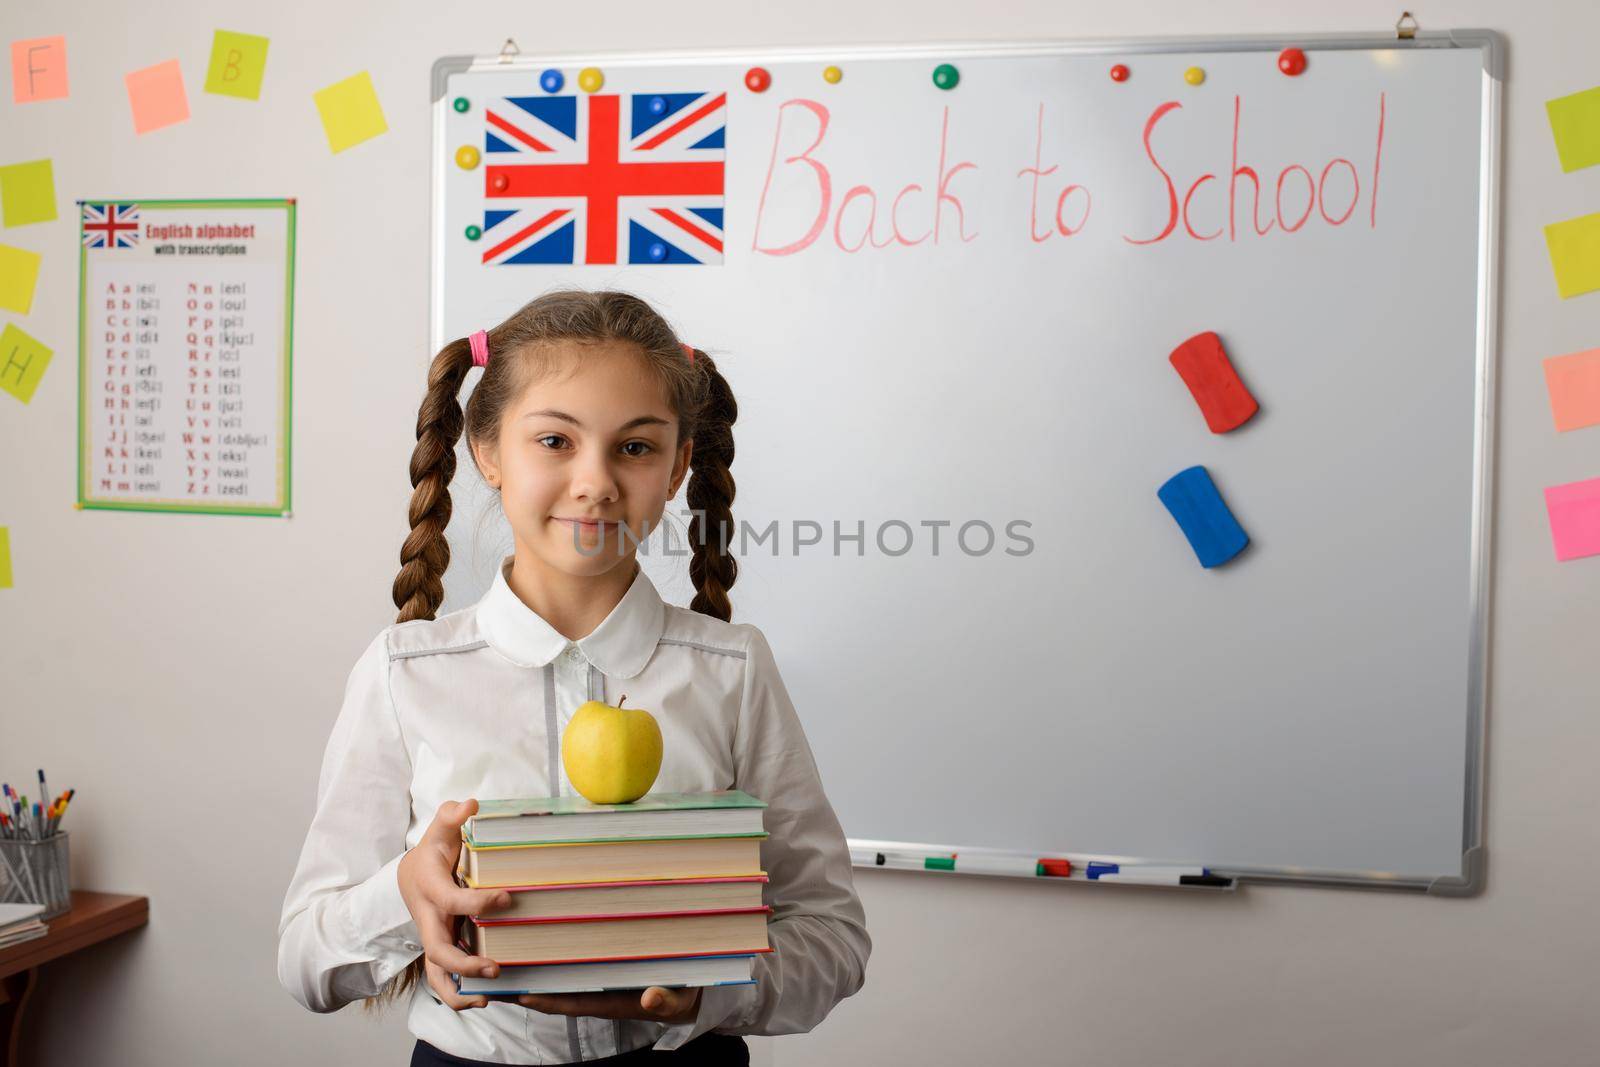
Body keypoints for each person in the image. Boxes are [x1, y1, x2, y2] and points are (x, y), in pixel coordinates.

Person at [276, 290, 870, 1064]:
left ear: (678, 465)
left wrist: (713, 991)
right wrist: (405, 891)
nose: (595, 482)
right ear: (487, 451)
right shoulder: (406, 674)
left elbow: (832, 934)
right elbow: (306, 962)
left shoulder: (733, 668)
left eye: (635, 447)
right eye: (555, 439)